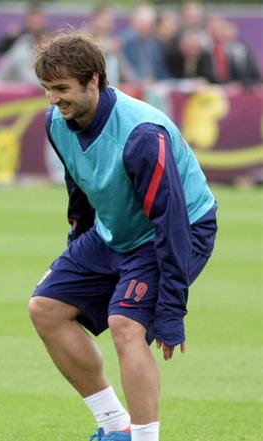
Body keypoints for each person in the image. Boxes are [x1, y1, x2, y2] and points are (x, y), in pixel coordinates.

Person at [29, 33, 217, 441]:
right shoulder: (56, 122)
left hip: (177, 229)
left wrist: (171, 312)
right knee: (45, 309)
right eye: (47, 90)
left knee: (126, 324)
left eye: (61, 90)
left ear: (93, 81)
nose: (52, 100)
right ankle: (116, 428)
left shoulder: (141, 135)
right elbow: (80, 188)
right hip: (115, 230)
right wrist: (76, 249)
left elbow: (170, 222)